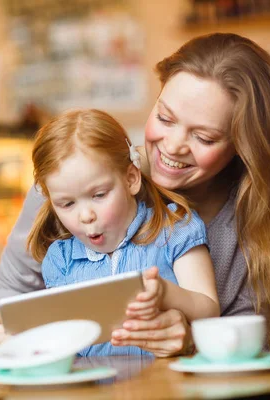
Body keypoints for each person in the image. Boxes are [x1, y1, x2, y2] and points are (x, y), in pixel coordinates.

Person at [0, 33, 270, 361]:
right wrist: (18, 338)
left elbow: (250, 350)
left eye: (204, 137)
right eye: (165, 117)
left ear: (243, 147)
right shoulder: (78, 182)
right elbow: (11, 290)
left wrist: (189, 342)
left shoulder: (251, 224)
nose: (172, 146)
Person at [27, 109, 220, 356]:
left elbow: (210, 310)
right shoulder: (60, 259)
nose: (85, 216)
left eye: (98, 195)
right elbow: (61, 343)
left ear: (131, 179)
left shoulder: (176, 228)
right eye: (67, 204)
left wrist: (166, 293)